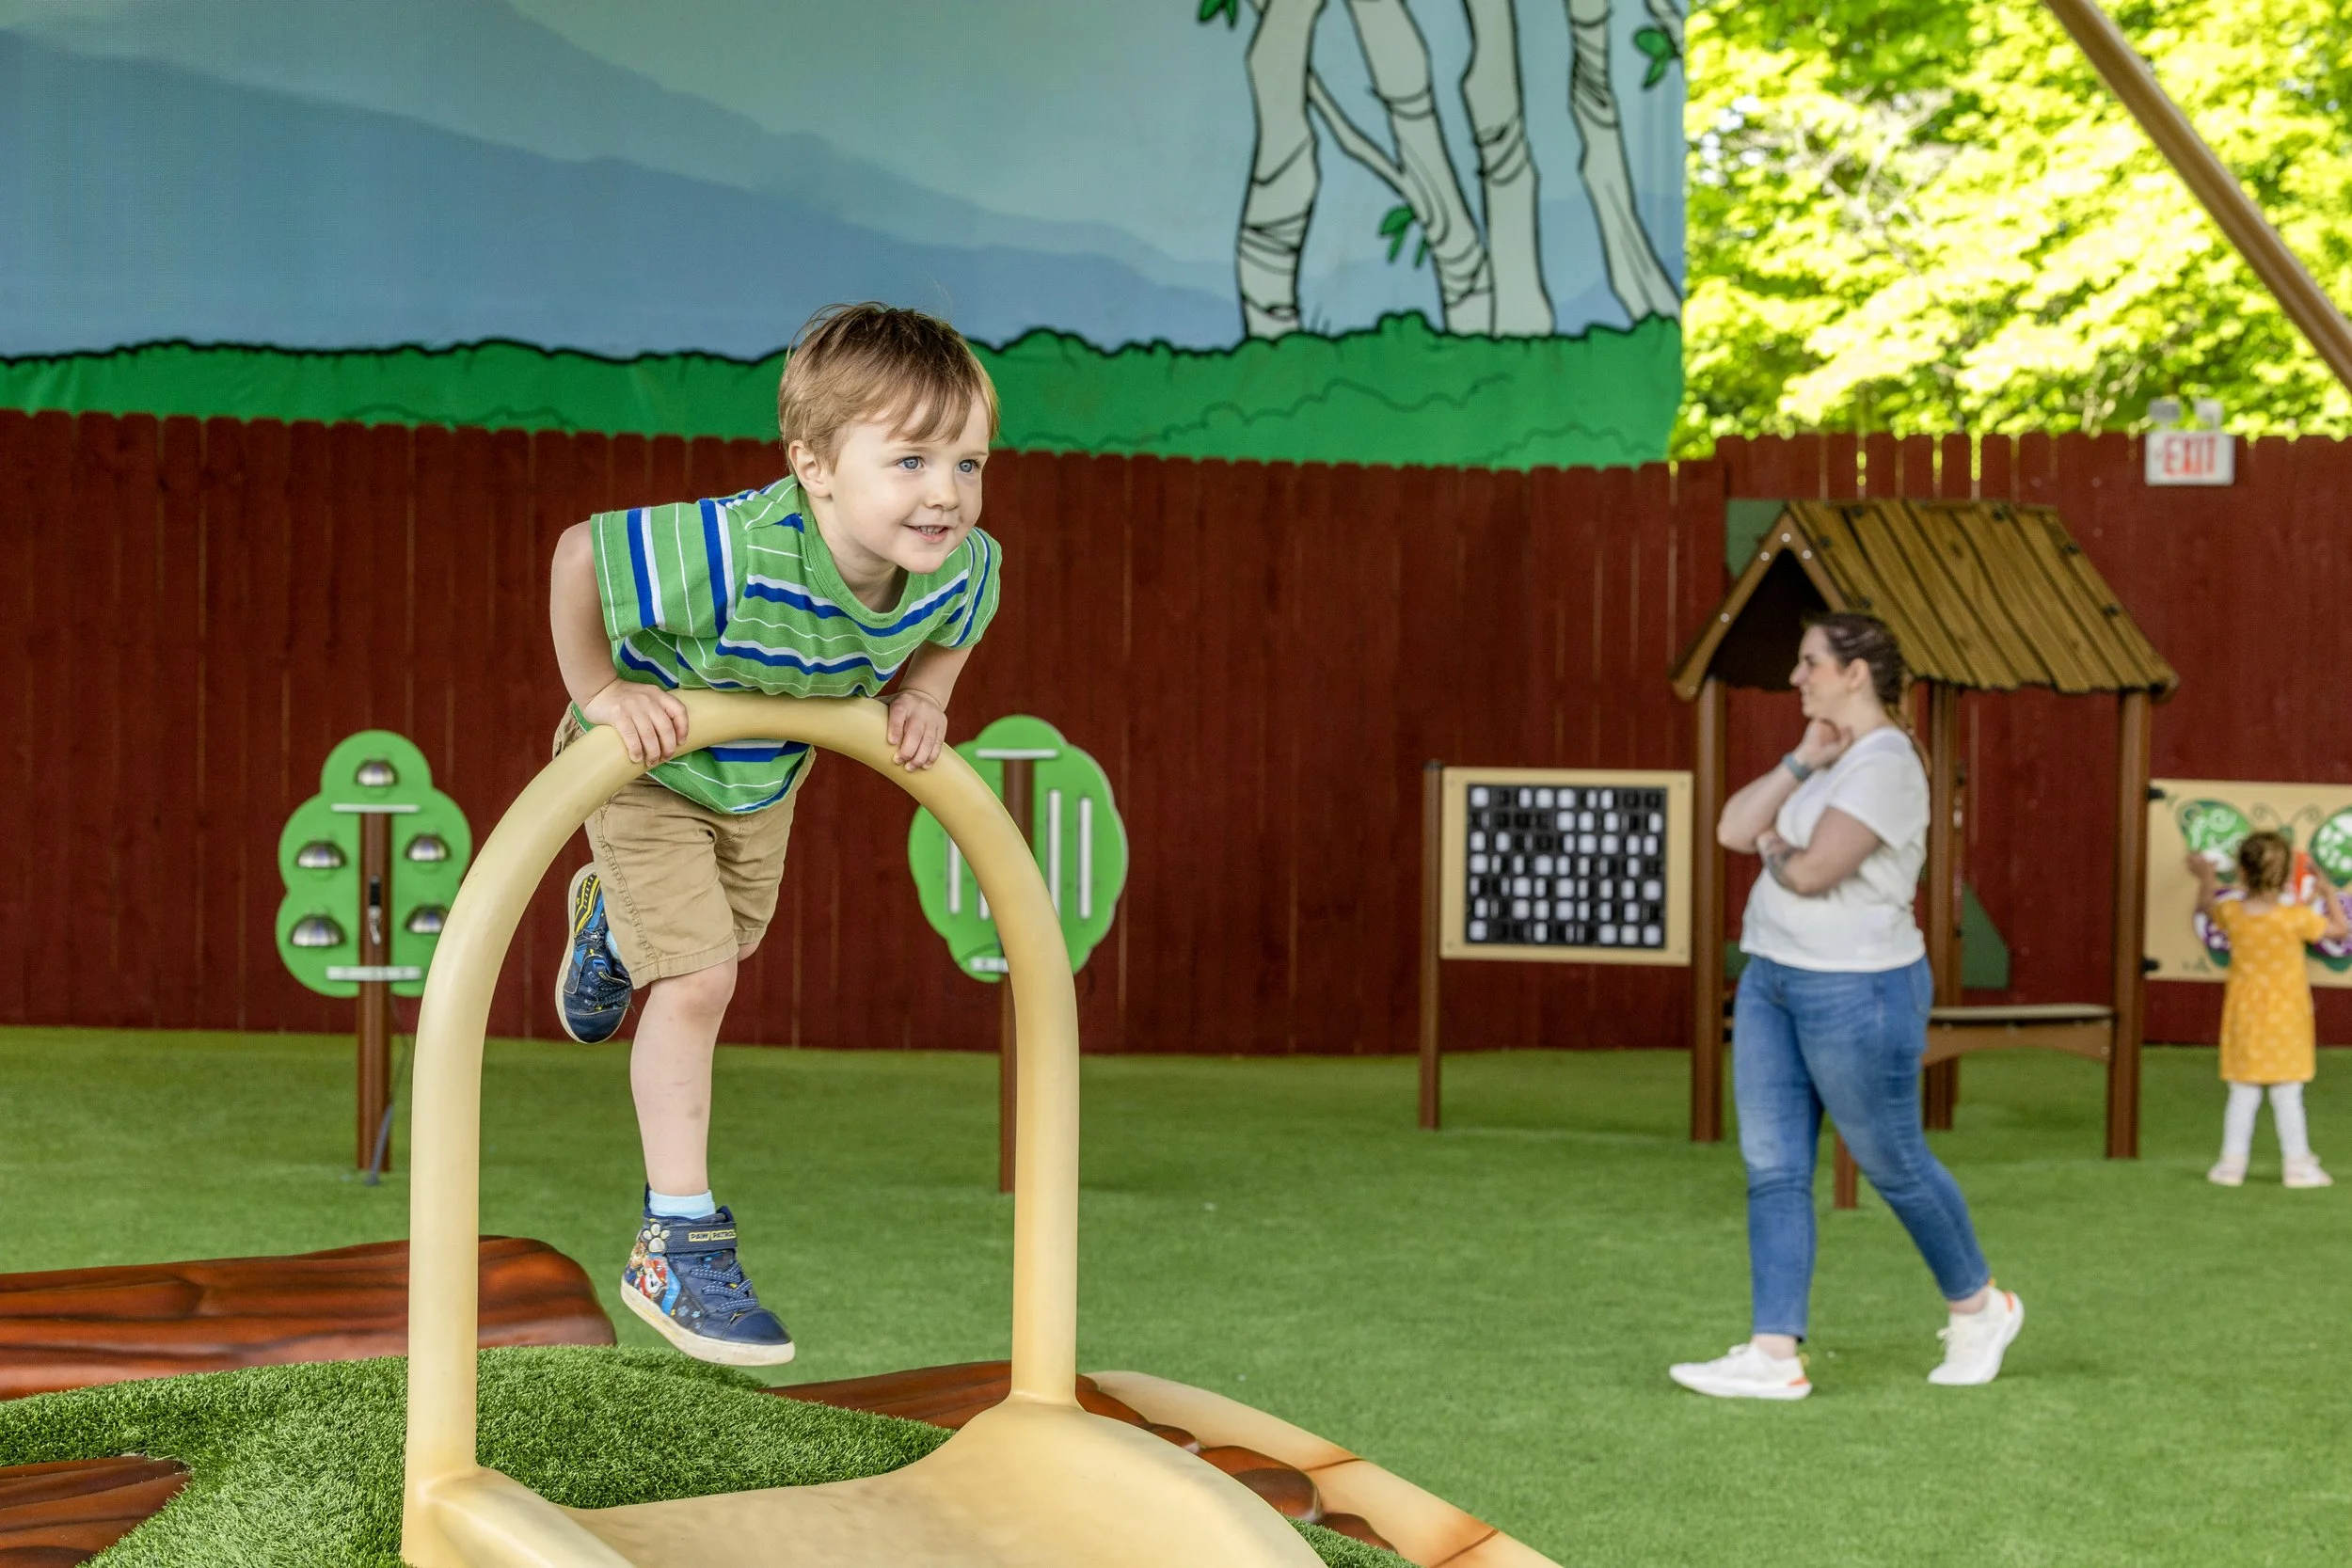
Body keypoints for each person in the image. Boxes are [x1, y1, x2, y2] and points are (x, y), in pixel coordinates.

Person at [545, 303, 1003, 1364]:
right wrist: (603, 691)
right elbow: (579, 556)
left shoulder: (957, 560)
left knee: (723, 947)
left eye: (968, 463)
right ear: (815, 466)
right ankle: (675, 1237)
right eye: (911, 460)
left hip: (759, 780)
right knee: (700, 978)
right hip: (650, 760)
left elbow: (968, 612)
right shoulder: (734, 548)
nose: (946, 492)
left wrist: (926, 693)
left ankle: (610, 923)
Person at [1670, 613, 2023, 1401]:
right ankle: (1774, 1352)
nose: (1797, 677)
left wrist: (1774, 846)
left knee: (1892, 1159)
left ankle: (1980, 1306)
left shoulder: (1889, 763)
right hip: (1771, 979)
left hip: (1857, 986)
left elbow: (1811, 871)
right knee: (1773, 1167)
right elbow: (1732, 826)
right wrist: (1800, 761)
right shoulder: (1829, 759)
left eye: (1810, 663)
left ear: (1855, 672)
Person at [2190, 832, 2345, 1188]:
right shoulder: (2294, 918)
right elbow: (2340, 930)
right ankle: (2297, 1165)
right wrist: (2326, 893)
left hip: (2244, 1016)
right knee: (2287, 1093)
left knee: (2243, 1092)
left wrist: (2206, 877)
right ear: (2287, 875)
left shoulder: (2233, 913)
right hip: (2287, 1019)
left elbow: (2207, 907)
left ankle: (2231, 1166)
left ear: (2242, 872)